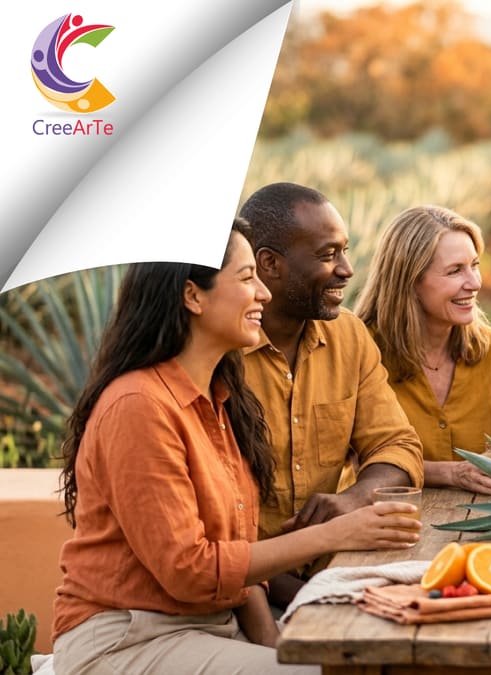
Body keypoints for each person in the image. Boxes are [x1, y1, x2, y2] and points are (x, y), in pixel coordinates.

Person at [52, 222, 419, 674]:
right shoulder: (139, 406)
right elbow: (191, 569)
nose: (264, 294)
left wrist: (270, 639)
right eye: (247, 278)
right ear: (193, 296)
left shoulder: (219, 399)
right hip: (130, 639)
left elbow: (233, 545)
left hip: (209, 627)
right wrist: (337, 533)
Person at [238, 183, 424, 607]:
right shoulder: (219, 352)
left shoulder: (348, 334)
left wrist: (354, 498)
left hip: (335, 569)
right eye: (327, 255)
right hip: (250, 588)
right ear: (268, 264)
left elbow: (397, 444)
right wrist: (313, 599)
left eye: (344, 250)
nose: (346, 269)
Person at [356, 205, 491, 495]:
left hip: (479, 526)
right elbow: (352, 461)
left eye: (475, 265)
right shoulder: (361, 351)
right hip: (391, 522)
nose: (475, 283)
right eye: (455, 271)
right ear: (410, 280)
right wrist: (451, 473)